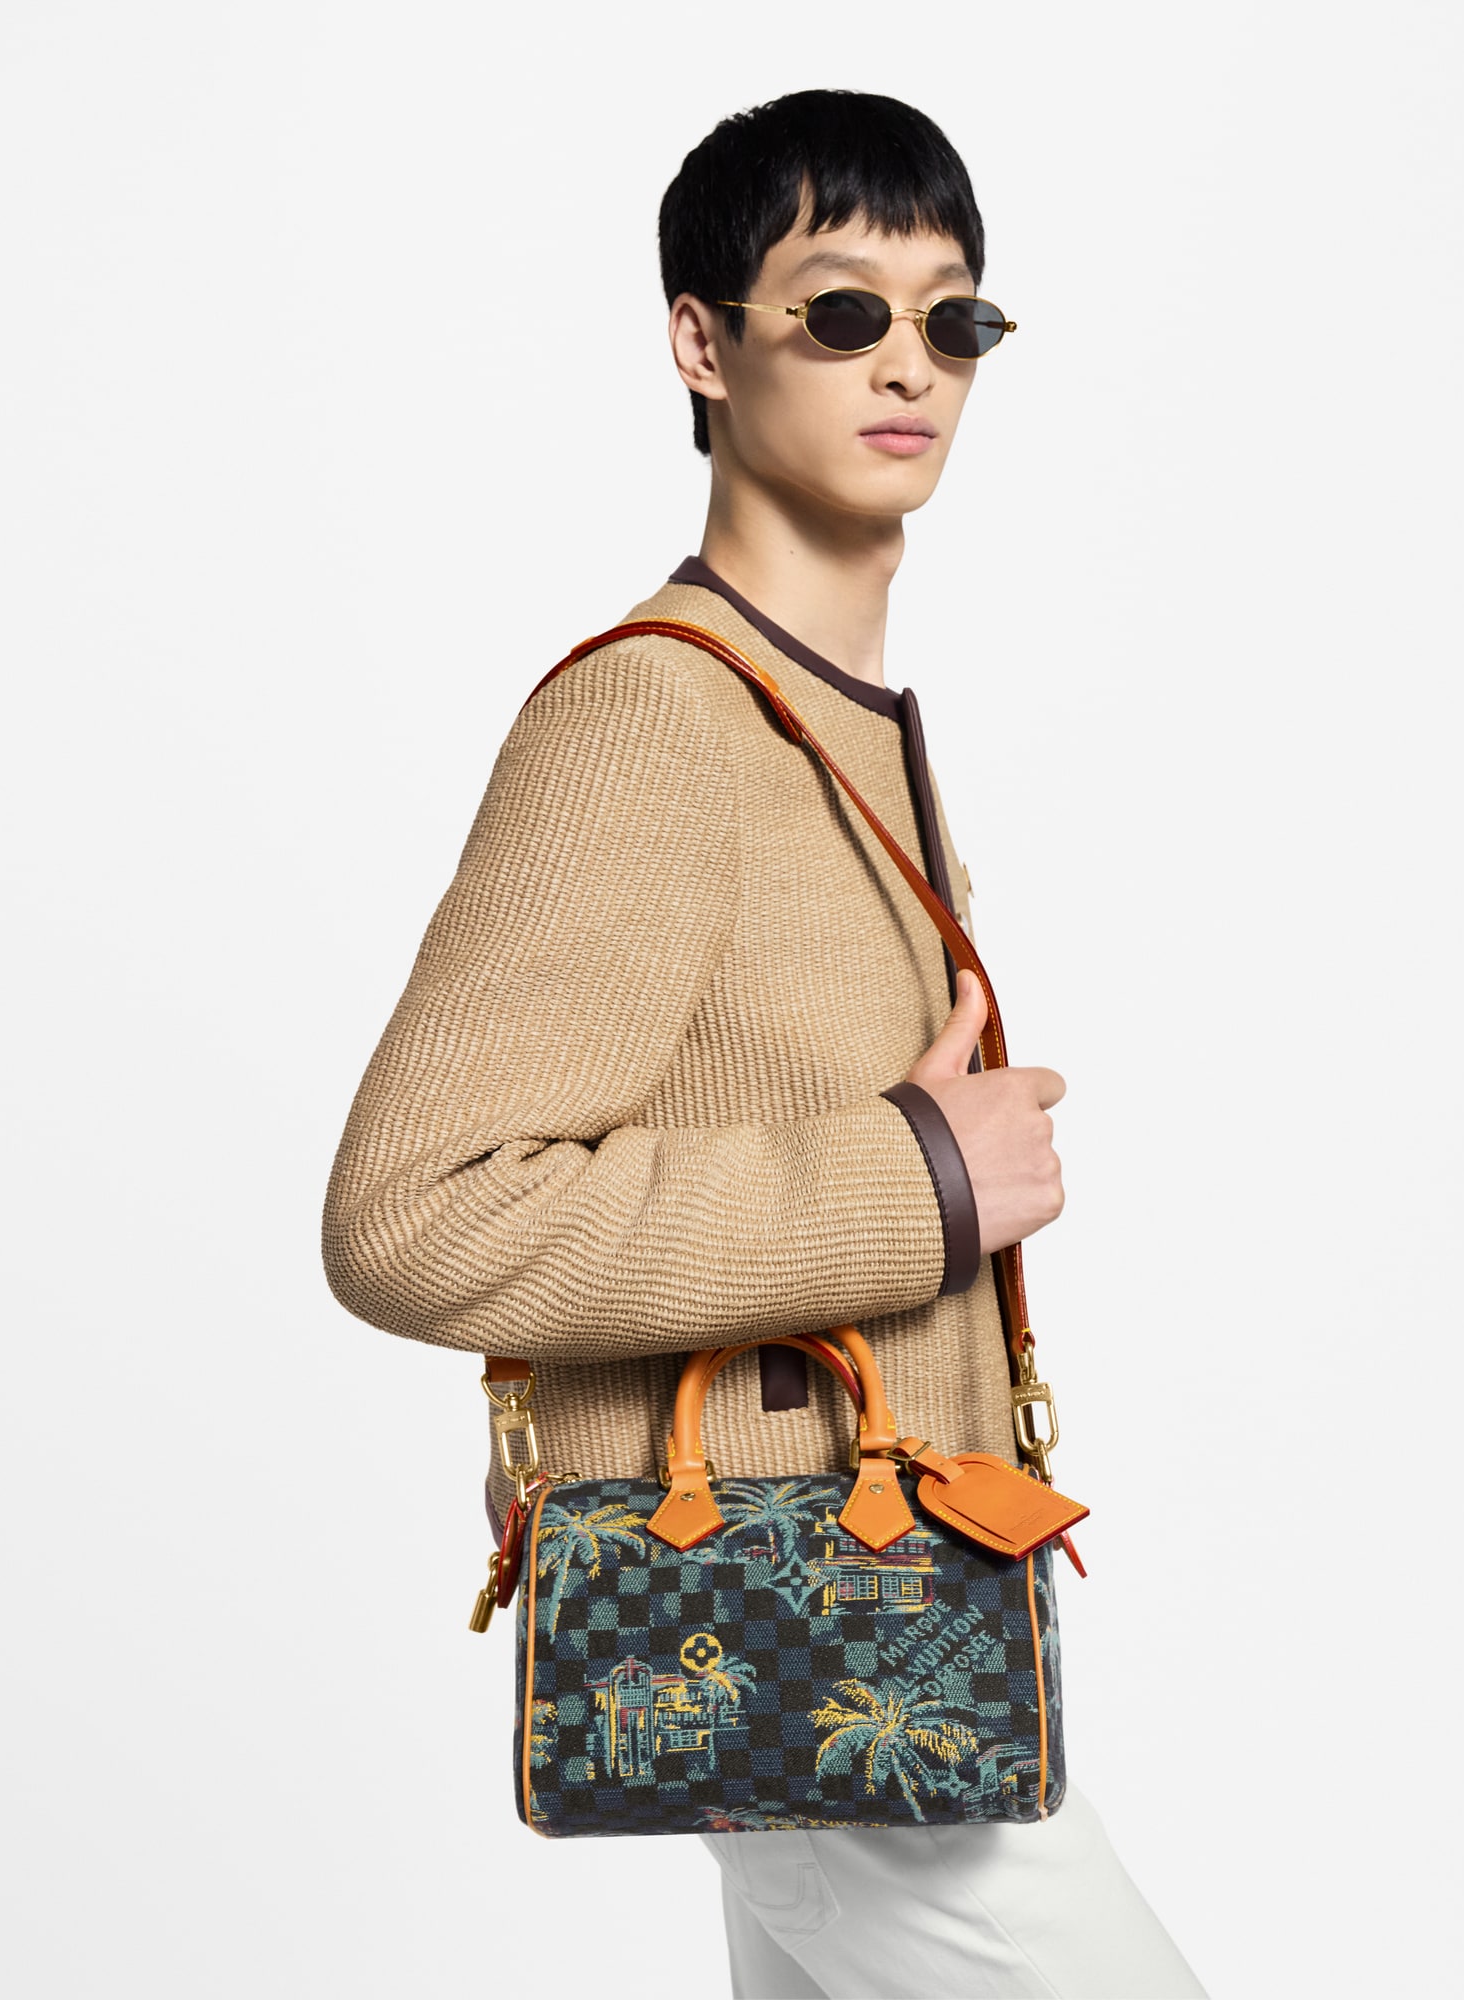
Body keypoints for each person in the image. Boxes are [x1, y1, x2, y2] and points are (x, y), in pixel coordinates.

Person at [321, 87, 1209, 1999]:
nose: (911, 364)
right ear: (702, 344)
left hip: (889, 1609)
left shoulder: (837, 720)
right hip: (808, 1626)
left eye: (954, 319)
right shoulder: (655, 720)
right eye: (843, 310)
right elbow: (413, 1209)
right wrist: (915, 1178)